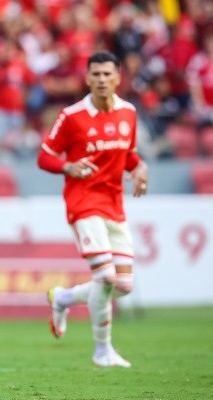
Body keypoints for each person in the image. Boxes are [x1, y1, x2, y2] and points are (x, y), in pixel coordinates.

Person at [37, 51, 148, 368]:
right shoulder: (72, 116)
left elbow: (128, 155)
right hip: (83, 202)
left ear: (118, 77)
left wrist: (139, 168)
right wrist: (68, 167)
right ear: (87, 78)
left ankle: (63, 298)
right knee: (105, 277)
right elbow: (44, 157)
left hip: (114, 204)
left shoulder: (128, 113)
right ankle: (102, 351)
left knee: (123, 285)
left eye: (107, 74)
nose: (101, 79)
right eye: (95, 74)